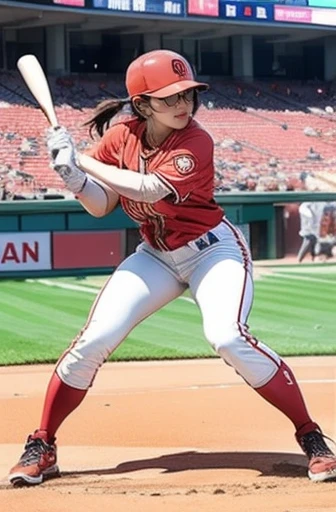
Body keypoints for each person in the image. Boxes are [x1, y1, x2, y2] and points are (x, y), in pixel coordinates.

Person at [9, 49, 336, 486]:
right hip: (156, 254)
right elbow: (103, 203)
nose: (184, 104)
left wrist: (82, 159)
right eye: (169, 98)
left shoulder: (196, 140)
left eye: (187, 94)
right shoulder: (121, 137)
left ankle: (311, 436)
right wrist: (74, 177)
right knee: (93, 341)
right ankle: (43, 443)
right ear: (142, 105)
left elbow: (148, 187)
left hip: (212, 251)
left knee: (227, 337)